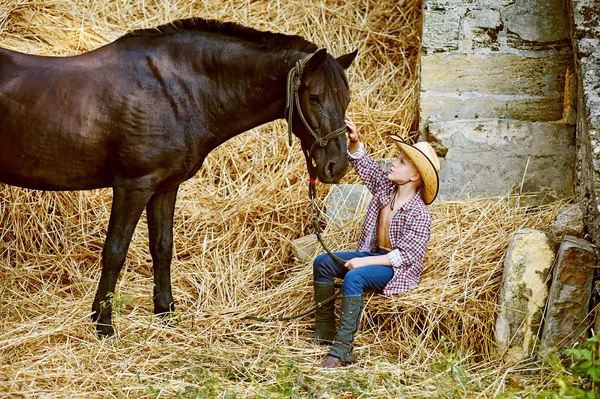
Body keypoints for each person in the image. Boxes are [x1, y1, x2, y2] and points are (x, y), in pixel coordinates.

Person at [312, 117, 441, 368]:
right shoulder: (385, 189)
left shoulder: (419, 213)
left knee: (355, 277)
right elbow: (366, 166)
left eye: (401, 162)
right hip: (374, 255)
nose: (393, 163)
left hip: (395, 269)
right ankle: (325, 331)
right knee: (323, 262)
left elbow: (406, 256)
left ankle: (342, 350)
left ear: (415, 175)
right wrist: (355, 141)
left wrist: (364, 262)